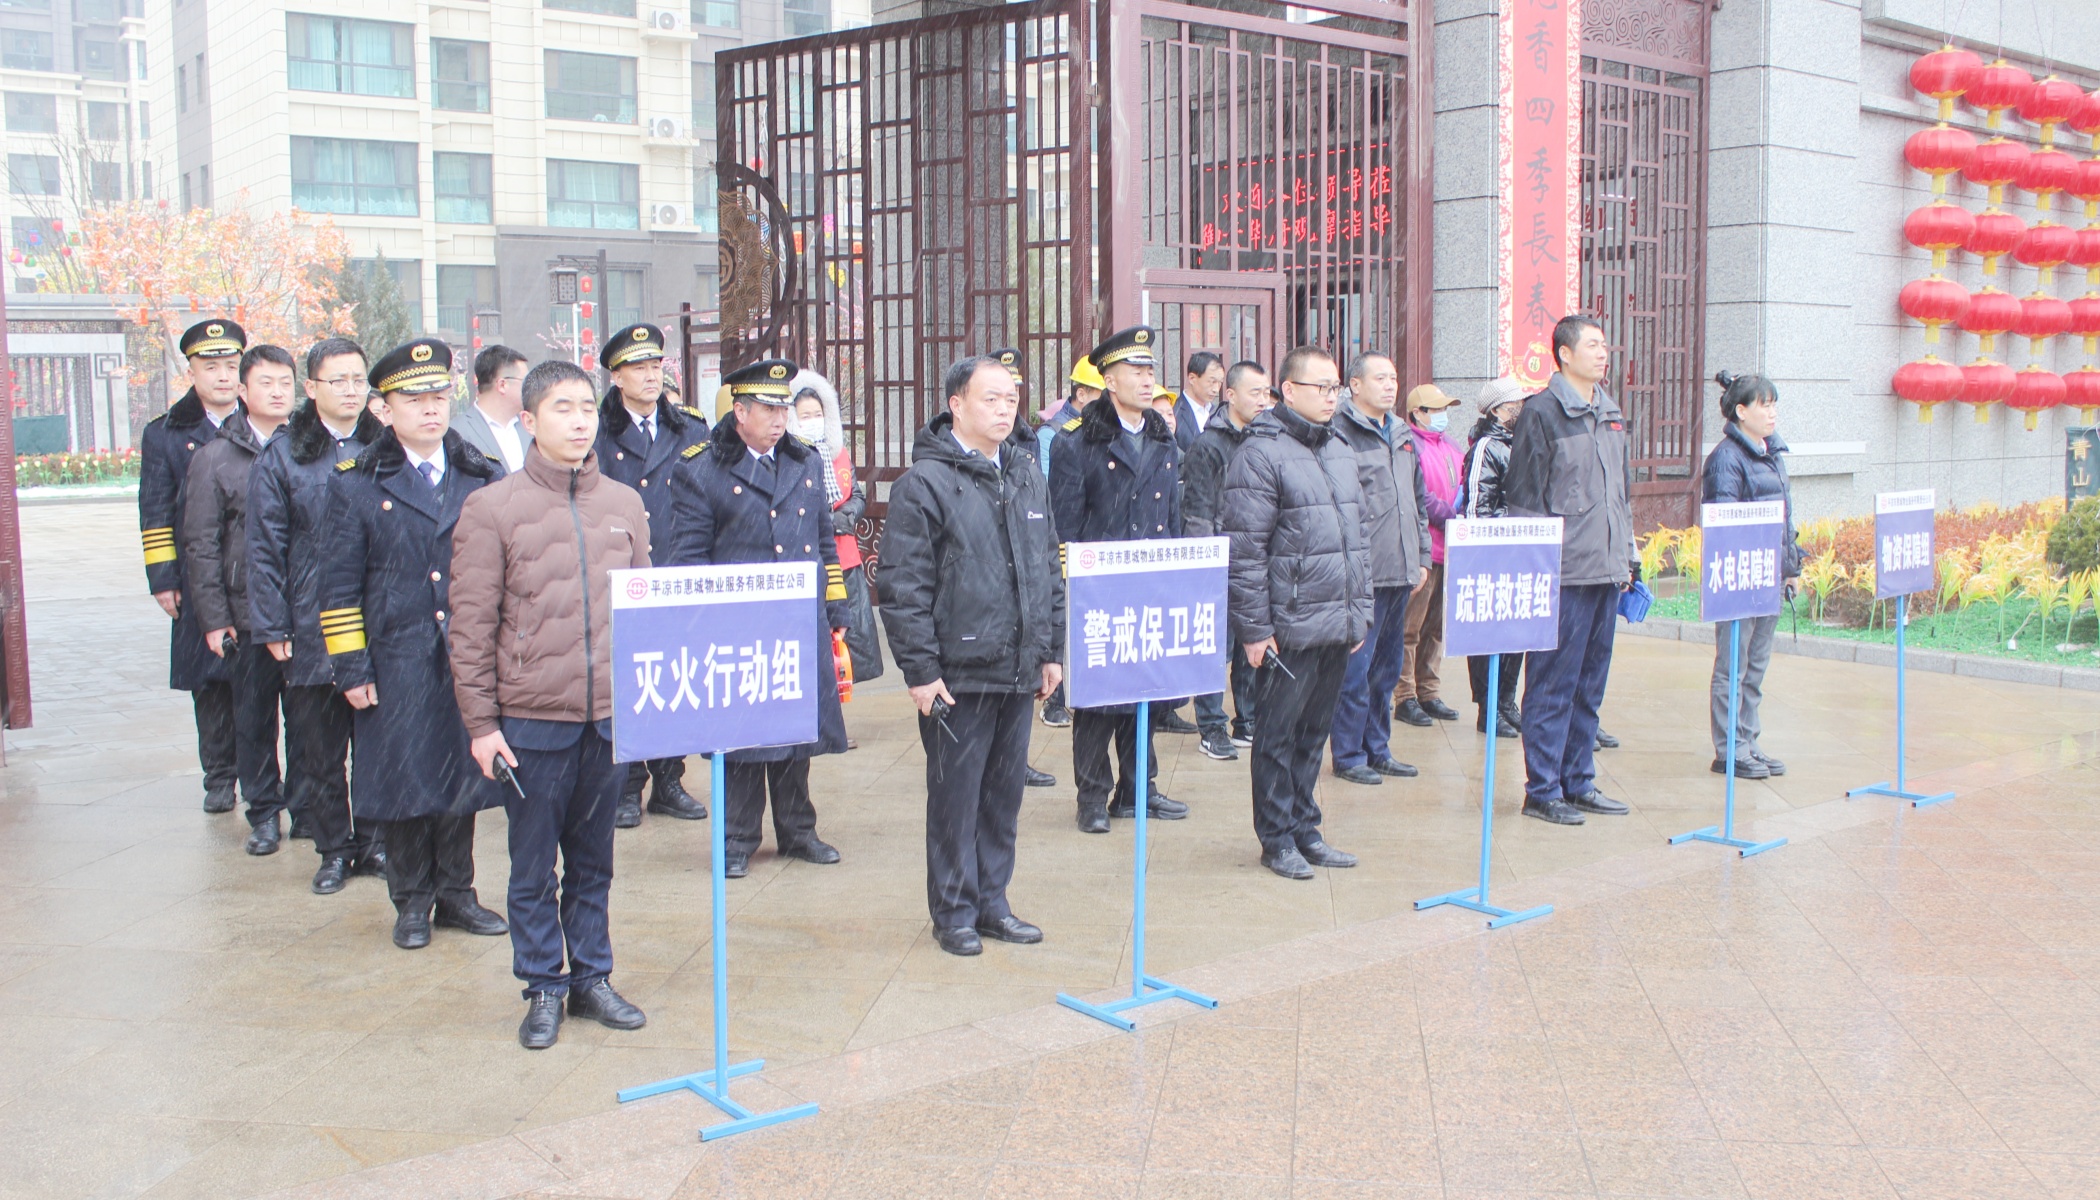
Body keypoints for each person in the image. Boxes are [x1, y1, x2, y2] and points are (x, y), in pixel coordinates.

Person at [449, 357, 651, 1050]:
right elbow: (471, 628)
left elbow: (644, 615)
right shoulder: (492, 508)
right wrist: (481, 724)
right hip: (532, 722)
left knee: (595, 862)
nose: (579, 421)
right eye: (562, 408)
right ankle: (543, 985)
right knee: (534, 867)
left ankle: (592, 976)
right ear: (529, 419)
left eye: (587, 408)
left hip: (609, 719)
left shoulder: (623, 504)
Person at [321, 338, 511, 949]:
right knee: (403, 779)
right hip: (394, 654)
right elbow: (337, 584)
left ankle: (457, 893)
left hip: (465, 654)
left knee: (460, 774)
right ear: (383, 409)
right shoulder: (355, 483)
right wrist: (351, 667)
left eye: (438, 395)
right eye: (414, 399)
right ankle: (411, 901)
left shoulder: (481, 474)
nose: (431, 409)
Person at [881, 355, 1064, 957]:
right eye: (991, 398)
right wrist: (921, 671)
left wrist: (1050, 650)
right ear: (956, 405)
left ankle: (993, 903)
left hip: (1018, 665)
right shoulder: (924, 484)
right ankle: (954, 912)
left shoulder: (1025, 473)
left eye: (1011, 398)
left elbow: (1046, 566)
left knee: (1003, 797)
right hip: (957, 673)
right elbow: (904, 586)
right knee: (955, 800)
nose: (1005, 409)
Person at [666, 358, 851, 878]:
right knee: (742, 740)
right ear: (740, 412)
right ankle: (737, 838)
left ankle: (798, 830)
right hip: (738, 628)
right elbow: (689, 559)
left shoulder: (804, 461)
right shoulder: (701, 468)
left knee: (795, 735)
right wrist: (704, 624)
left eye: (783, 409)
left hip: (797, 622)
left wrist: (835, 607)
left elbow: (822, 541)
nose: (779, 420)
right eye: (768, 409)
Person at [1223, 346, 1372, 880]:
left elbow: (1358, 538)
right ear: (1288, 390)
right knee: (1277, 736)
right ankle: (1277, 837)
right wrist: (1255, 629)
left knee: (1314, 734)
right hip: (1289, 626)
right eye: (1321, 388)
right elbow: (1245, 551)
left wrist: (1360, 611)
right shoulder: (1260, 453)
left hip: (1336, 621)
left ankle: (1307, 828)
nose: (1332, 397)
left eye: (1336, 388)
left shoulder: (1339, 448)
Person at [248, 336, 386, 891]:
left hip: (376, 621)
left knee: (374, 743)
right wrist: (272, 623)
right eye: (338, 380)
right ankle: (333, 849)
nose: (351, 391)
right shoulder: (284, 454)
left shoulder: (386, 445)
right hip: (309, 622)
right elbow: (264, 546)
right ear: (311, 388)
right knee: (319, 749)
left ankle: (374, 841)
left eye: (358, 380)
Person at [1048, 326, 1188, 833]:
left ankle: (1138, 789)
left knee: (1143, 689)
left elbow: (1172, 518)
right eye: (1136, 371)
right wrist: (1071, 592)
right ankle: (1092, 796)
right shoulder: (1077, 442)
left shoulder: (1162, 437)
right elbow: (1064, 527)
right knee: (1097, 700)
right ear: (1109, 380)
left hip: (1150, 587)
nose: (1147, 380)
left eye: (1151, 371)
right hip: (1099, 591)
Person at [1504, 316, 1637, 826]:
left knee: (1589, 683)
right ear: (1563, 353)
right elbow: (1525, 498)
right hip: (1561, 573)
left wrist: (1628, 557)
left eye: (1604, 345)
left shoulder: (1610, 411)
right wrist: (1532, 571)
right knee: (1552, 684)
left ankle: (1579, 781)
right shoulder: (1542, 412)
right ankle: (1542, 789)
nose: (1603, 353)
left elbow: (1620, 494)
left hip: (1605, 569)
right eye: (1592, 345)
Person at [182, 344, 302, 856]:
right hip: (246, 614)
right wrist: (214, 619)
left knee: (308, 723)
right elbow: (201, 544)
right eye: (265, 383)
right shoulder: (215, 458)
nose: (277, 393)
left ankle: (307, 809)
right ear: (243, 390)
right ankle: (264, 812)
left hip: (303, 611)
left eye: (285, 383)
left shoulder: (308, 448)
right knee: (253, 721)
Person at [594, 323, 710, 828]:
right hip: (620, 576)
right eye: (638, 367)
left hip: (676, 568)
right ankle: (625, 785)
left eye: (656, 365)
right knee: (625, 683)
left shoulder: (690, 427)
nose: (650, 376)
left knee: (671, 678)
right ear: (616, 376)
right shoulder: (598, 432)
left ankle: (668, 779)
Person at [141, 319, 245, 815]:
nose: (223, 376)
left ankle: (268, 777)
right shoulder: (165, 433)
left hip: (254, 570)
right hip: (197, 574)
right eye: (211, 367)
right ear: (192, 371)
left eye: (231, 366)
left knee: (263, 681)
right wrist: (163, 579)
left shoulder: (268, 423)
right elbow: (155, 511)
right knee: (211, 680)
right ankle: (220, 775)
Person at [1328, 353, 1430, 786]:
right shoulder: (1339, 432)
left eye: (1394, 377)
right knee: (1355, 672)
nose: (1390, 385)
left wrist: (1422, 556)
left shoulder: (1403, 433)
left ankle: (1378, 749)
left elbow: (1418, 501)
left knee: (1386, 671)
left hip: (1400, 571)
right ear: (1355, 385)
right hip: (1362, 574)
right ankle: (1349, 754)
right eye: (1380, 378)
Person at [1701, 370, 1802, 780]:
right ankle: (1729, 749)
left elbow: (1784, 517)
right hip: (1740, 579)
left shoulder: (1772, 453)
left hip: (1769, 577)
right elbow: (1723, 523)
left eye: (1774, 404)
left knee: (1756, 667)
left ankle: (1749, 741)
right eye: (1765, 405)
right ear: (1741, 411)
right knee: (1733, 667)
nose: (1772, 413)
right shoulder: (1726, 459)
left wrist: (1791, 568)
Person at [1182, 359, 1271, 757]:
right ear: (1230, 395)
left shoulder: (1267, 439)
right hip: (1218, 560)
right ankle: (1212, 726)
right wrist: (1204, 566)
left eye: (1266, 392)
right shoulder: (1209, 445)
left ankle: (1247, 720)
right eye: (1255, 392)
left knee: (1252, 645)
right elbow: (1198, 512)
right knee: (1214, 650)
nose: (1263, 400)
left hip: (1256, 561)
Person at [1460, 376, 1528, 740]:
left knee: (1516, 634)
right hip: (1494, 556)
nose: (1523, 410)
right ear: (1500, 410)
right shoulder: (1487, 447)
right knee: (1489, 637)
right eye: (1517, 404)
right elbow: (1477, 507)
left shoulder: (1518, 443)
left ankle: (1506, 702)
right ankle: (1488, 710)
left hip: (1520, 554)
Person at [1034, 356, 1099, 730]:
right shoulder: (1054, 435)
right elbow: (1051, 492)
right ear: (1081, 394)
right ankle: (1053, 700)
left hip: (1091, 542)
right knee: (1063, 618)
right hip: (1062, 538)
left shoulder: (1097, 431)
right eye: (1100, 393)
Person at [1392, 384, 1463, 728]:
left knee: (1435, 628)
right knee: (1410, 627)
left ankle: (1429, 691)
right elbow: (1417, 493)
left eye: (1444, 409)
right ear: (1417, 412)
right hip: (1424, 548)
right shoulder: (1409, 444)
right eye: (1436, 409)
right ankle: (1404, 695)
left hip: (1450, 548)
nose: (1442, 415)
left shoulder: (1451, 445)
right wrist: (1447, 513)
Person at [456, 345, 530, 472]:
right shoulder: (458, 433)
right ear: (502, 385)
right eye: (526, 381)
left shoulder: (531, 426)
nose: (531, 388)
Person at [1173, 351, 1226, 453]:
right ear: (1192, 378)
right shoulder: (1174, 412)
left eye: (1220, 382)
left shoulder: (1219, 413)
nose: (1216, 389)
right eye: (1212, 381)